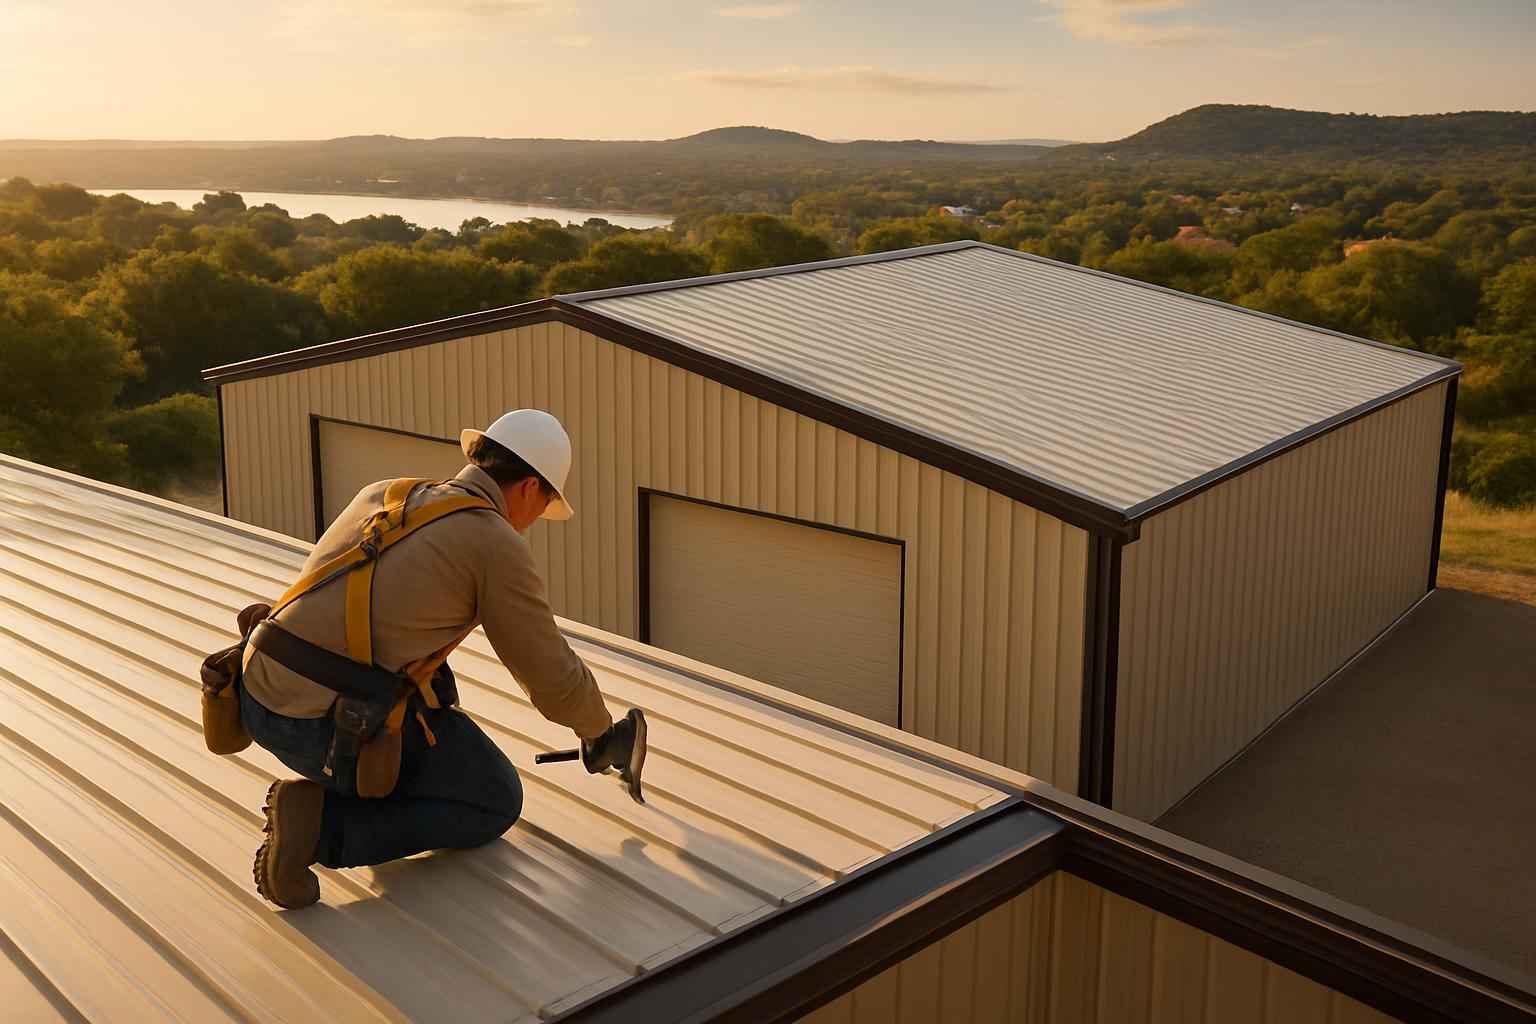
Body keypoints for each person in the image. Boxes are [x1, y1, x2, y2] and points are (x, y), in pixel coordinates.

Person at [237, 409, 640, 909]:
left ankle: (332, 802)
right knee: (493, 798)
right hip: (318, 728)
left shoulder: (386, 493)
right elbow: (549, 671)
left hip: (254, 694)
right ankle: (319, 829)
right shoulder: (494, 543)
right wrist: (600, 733)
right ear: (531, 486)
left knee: (437, 720)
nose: (536, 521)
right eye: (544, 504)